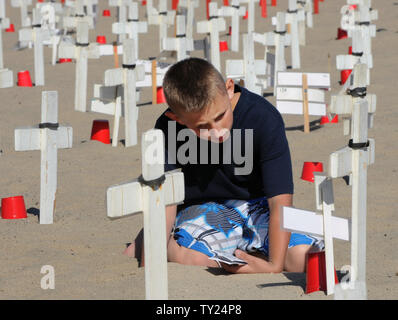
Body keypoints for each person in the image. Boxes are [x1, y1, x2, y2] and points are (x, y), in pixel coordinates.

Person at [124, 58, 323, 274]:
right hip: (204, 209)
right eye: (202, 126)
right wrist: (150, 257)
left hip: (258, 207)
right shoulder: (166, 127)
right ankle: (176, 245)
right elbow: (164, 199)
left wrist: (274, 265)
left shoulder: (263, 117)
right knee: (193, 258)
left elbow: (280, 201)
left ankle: (250, 256)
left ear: (228, 89)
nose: (216, 130)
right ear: (178, 119)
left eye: (221, 116)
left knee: (307, 257)